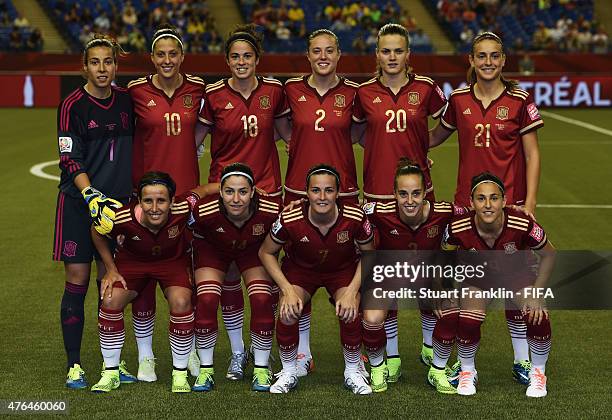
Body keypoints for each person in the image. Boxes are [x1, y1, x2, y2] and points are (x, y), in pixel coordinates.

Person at [429, 31, 544, 385]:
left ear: (503, 60)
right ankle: (465, 366)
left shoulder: (520, 100)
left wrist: (531, 203)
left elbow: (532, 154)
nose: (488, 62)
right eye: (482, 56)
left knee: (514, 285)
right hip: (467, 207)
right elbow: (434, 136)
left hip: (510, 205)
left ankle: (523, 361)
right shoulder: (458, 99)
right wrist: (415, 155)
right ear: (471, 60)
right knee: (468, 290)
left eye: (495, 56)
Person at [352, 23, 447, 381]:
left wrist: (422, 149)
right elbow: (358, 133)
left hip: (419, 193)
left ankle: (427, 343)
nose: (392, 57)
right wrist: (382, 150)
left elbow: (443, 126)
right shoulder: (362, 93)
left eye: (398, 50)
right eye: (385, 50)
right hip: (378, 195)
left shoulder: (425, 88)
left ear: (409, 55)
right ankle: (390, 354)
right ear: (377, 55)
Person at [197, 24, 290, 381]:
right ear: (226, 60)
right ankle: (238, 352)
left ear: (257, 59)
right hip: (226, 195)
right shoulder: (214, 94)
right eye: (235, 56)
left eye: (247, 56)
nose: (241, 62)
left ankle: (273, 350)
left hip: (266, 194)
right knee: (230, 275)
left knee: (264, 279)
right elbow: (194, 142)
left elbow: (288, 136)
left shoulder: (275, 91)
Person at [54, 34, 136, 389]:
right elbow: (70, 157)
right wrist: (90, 196)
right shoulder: (72, 105)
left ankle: (111, 365)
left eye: (108, 62)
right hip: (78, 205)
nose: (102, 69)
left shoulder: (126, 101)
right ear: (84, 66)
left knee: (111, 281)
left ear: (116, 66)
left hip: (116, 208)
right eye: (95, 62)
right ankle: (74, 364)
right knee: (77, 280)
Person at [128, 24, 206, 381]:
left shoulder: (198, 89)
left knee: (185, 278)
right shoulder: (136, 91)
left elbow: (208, 130)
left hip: (185, 201)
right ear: (152, 58)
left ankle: (186, 350)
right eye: (161, 54)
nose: (167, 60)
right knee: (141, 278)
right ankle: (145, 357)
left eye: (173, 54)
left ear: (182, 56)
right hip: (146, 200)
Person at [89, 172, 212, 393]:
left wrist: (232, 185)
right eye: (148, 200)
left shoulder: (183, 208)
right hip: (132, 263)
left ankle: (180, 374)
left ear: (172, 201)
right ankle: (110, 372)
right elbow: (96, 231)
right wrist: (110, 268)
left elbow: (202, 191)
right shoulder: (120, 216)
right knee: (109, 299)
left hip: (171, 263)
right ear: (138, 200)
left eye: (161, 200)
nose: (154, 207)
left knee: (182, 302)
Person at [283, 29, 361, 375]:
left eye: (330, 50)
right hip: (299, 192)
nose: (323, 56)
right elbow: (279, 126)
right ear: (308, 55)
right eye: (317, 51)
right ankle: (301, 353)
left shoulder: (354, 93)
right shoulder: (291, 89)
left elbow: (362, 133)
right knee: (299, 266)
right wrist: (296, 143)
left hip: (342, 193)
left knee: (344, 267)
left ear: (339, 54)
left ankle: (360, 358)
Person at [259, 165, 375, 395]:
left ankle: (352, 371)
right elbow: (266, 252)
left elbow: (370, 254)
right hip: (301, 271)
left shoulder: (355, 216)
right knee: (288, 309)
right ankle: (289, 370)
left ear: (338, 193)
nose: (322, 197)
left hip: (341, 271)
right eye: (316, 190)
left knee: (349, 309)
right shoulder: (290, 217)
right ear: (306, 192)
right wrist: (286, 289)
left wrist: (352, 290)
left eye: (329, 190)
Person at [441, 173, 555, 397]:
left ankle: (538, 372)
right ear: (471, 203)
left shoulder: (522, 223)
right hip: (478, 278)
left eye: (494, 198)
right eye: (481, 199)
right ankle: (467, 371)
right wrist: (446, 288)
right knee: (468, 317)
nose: (488, 204)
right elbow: (443, 256)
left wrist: (537, 292)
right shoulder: (457, 228)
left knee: (537, 313)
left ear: (504, 201)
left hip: (516, 275)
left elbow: (549, 255)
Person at [361, 158, 465, 393]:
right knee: (373, 315)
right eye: (403, 194)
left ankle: (436, 368)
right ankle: (383, 364)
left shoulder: (445, 211)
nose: (410, 201)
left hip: (428, 276)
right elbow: (344, 212)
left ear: (426, 192)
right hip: (390, 274)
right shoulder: (379, 211)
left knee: (449, 305)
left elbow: (475, 213)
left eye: (416, 193)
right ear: (394, 194)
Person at [190, 163, 280, 392]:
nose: (236, 199)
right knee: (207, 299)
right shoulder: (204, 211)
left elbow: (293, 232)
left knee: (261, 299)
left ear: (253, 192)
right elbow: (177, 224)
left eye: (243, 191)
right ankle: (206, 371)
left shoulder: (271, 209)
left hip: (252, 251)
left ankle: (260, 368)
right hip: (213, 250)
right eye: (229, 191)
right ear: (220, 192)